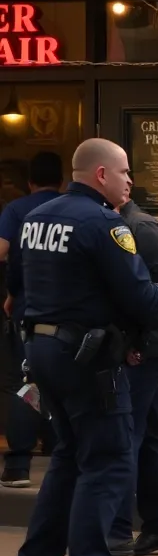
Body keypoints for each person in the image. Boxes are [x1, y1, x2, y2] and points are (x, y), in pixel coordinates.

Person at [10, 138, 158, 556]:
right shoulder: (105, 224)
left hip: (44, 349)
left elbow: (18, 285)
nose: (131, 180)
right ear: (101, 175)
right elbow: (139, 298)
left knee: (68, 458)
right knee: (109, 462)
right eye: (125, 171)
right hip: (88, 359)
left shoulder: (36, 217)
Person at [107, 195, 158, 556]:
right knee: (146, 435)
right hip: (142, 343)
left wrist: (139, 335)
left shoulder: (142, 228)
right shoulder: (114, 226)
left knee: (127, 435)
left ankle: (117, 530)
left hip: (149, 347)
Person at [0, 151, 63, 489]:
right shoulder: (72, 211)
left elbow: (1, 251)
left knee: (25, 382)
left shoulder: (18, 210)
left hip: (29, 311)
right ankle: (57, 450)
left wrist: (12, 292)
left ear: (29, 181)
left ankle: (19, 465)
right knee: (60, 380)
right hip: (72, 316)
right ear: (62, 180)